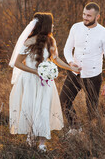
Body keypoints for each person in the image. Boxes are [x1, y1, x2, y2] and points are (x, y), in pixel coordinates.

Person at [9, 12, 80, 152]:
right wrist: (35, 71)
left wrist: (71, 68)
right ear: (46, 25)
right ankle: (30, 137)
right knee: (30, 107)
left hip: (45, 82)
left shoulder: (51, 41)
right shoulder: (28, 41)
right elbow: (17, 63)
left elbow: (56, 59)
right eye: (51, 23)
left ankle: (42, 142)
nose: (53, 26)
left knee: (43, 108)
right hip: (29, 80)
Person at [60, 2, 105, 134]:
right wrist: (70, 62)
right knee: (63, 101)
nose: (85, 17)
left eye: (89, 16)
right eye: (84, 14)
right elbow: (67, 49)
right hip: (74, 74)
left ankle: (93, 135)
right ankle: (75, 127)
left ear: (98, 17)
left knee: (91, 109)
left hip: (93, 76)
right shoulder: (75, 27)